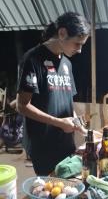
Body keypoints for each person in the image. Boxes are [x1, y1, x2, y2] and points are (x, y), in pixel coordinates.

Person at [16, 12, 90, 175]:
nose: (80, 50)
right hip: (43, 145)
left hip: (66, 143)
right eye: (77, 43)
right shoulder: (32, 59)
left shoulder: (67, 64)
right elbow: (22, 106)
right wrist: (58, 122)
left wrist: (78, 125)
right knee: (51, 193)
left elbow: (67, 101)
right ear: (62, 33)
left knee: (70, 187)